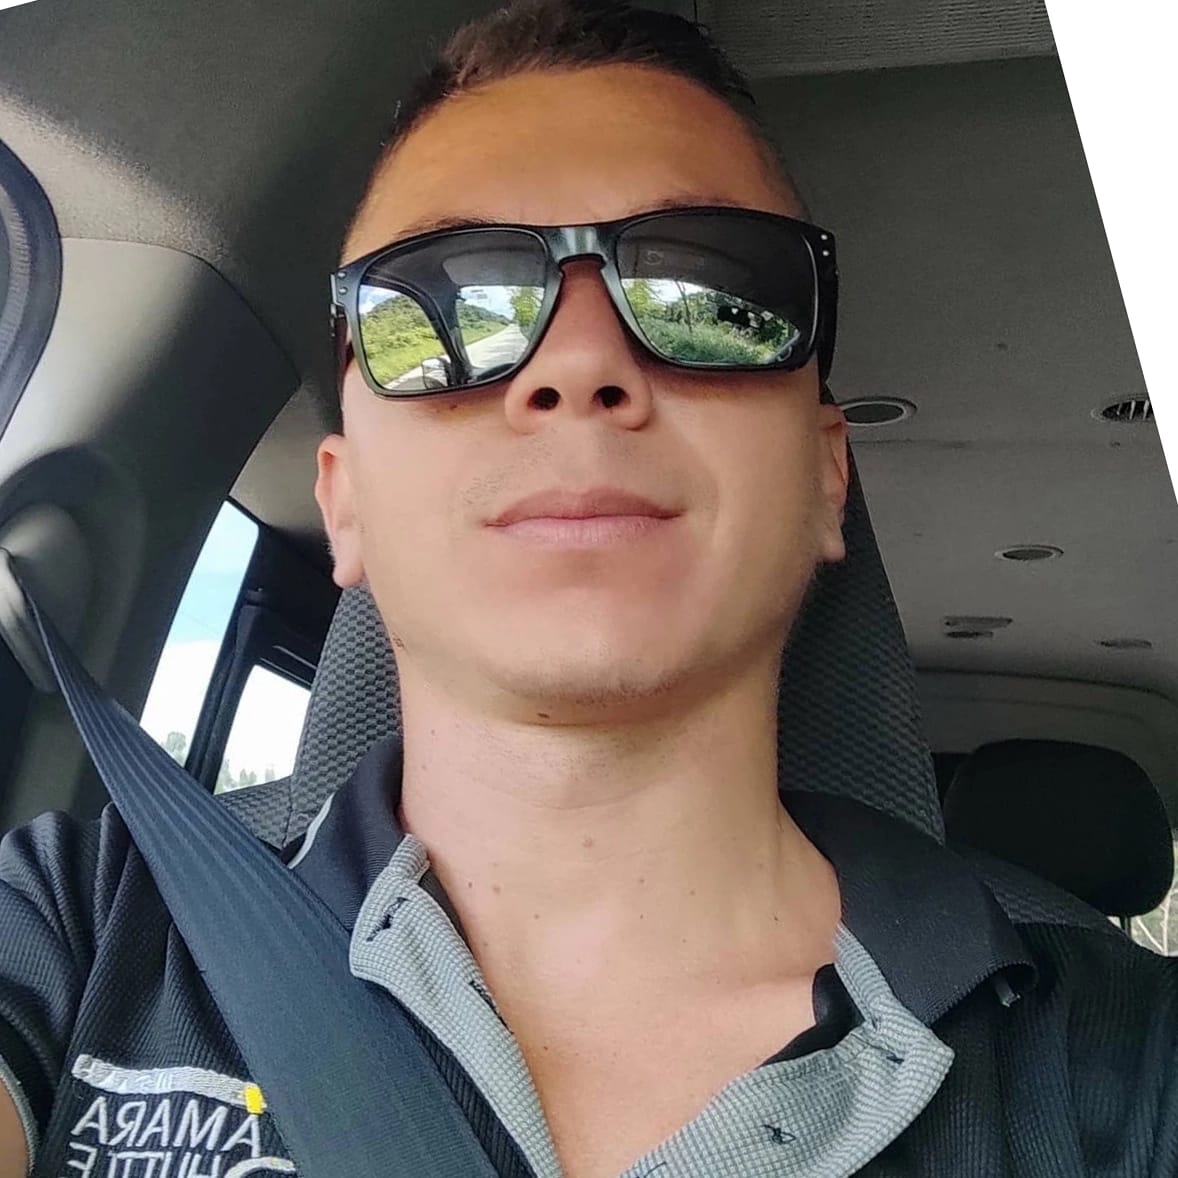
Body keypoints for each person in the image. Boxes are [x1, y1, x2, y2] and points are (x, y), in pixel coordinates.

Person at [3, 2, 1178, 1176]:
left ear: (826, 477)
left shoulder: (1126, 1061)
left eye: (703, 292)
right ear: (344, 500)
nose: (578, 363)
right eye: (441, 308)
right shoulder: (82, 921)